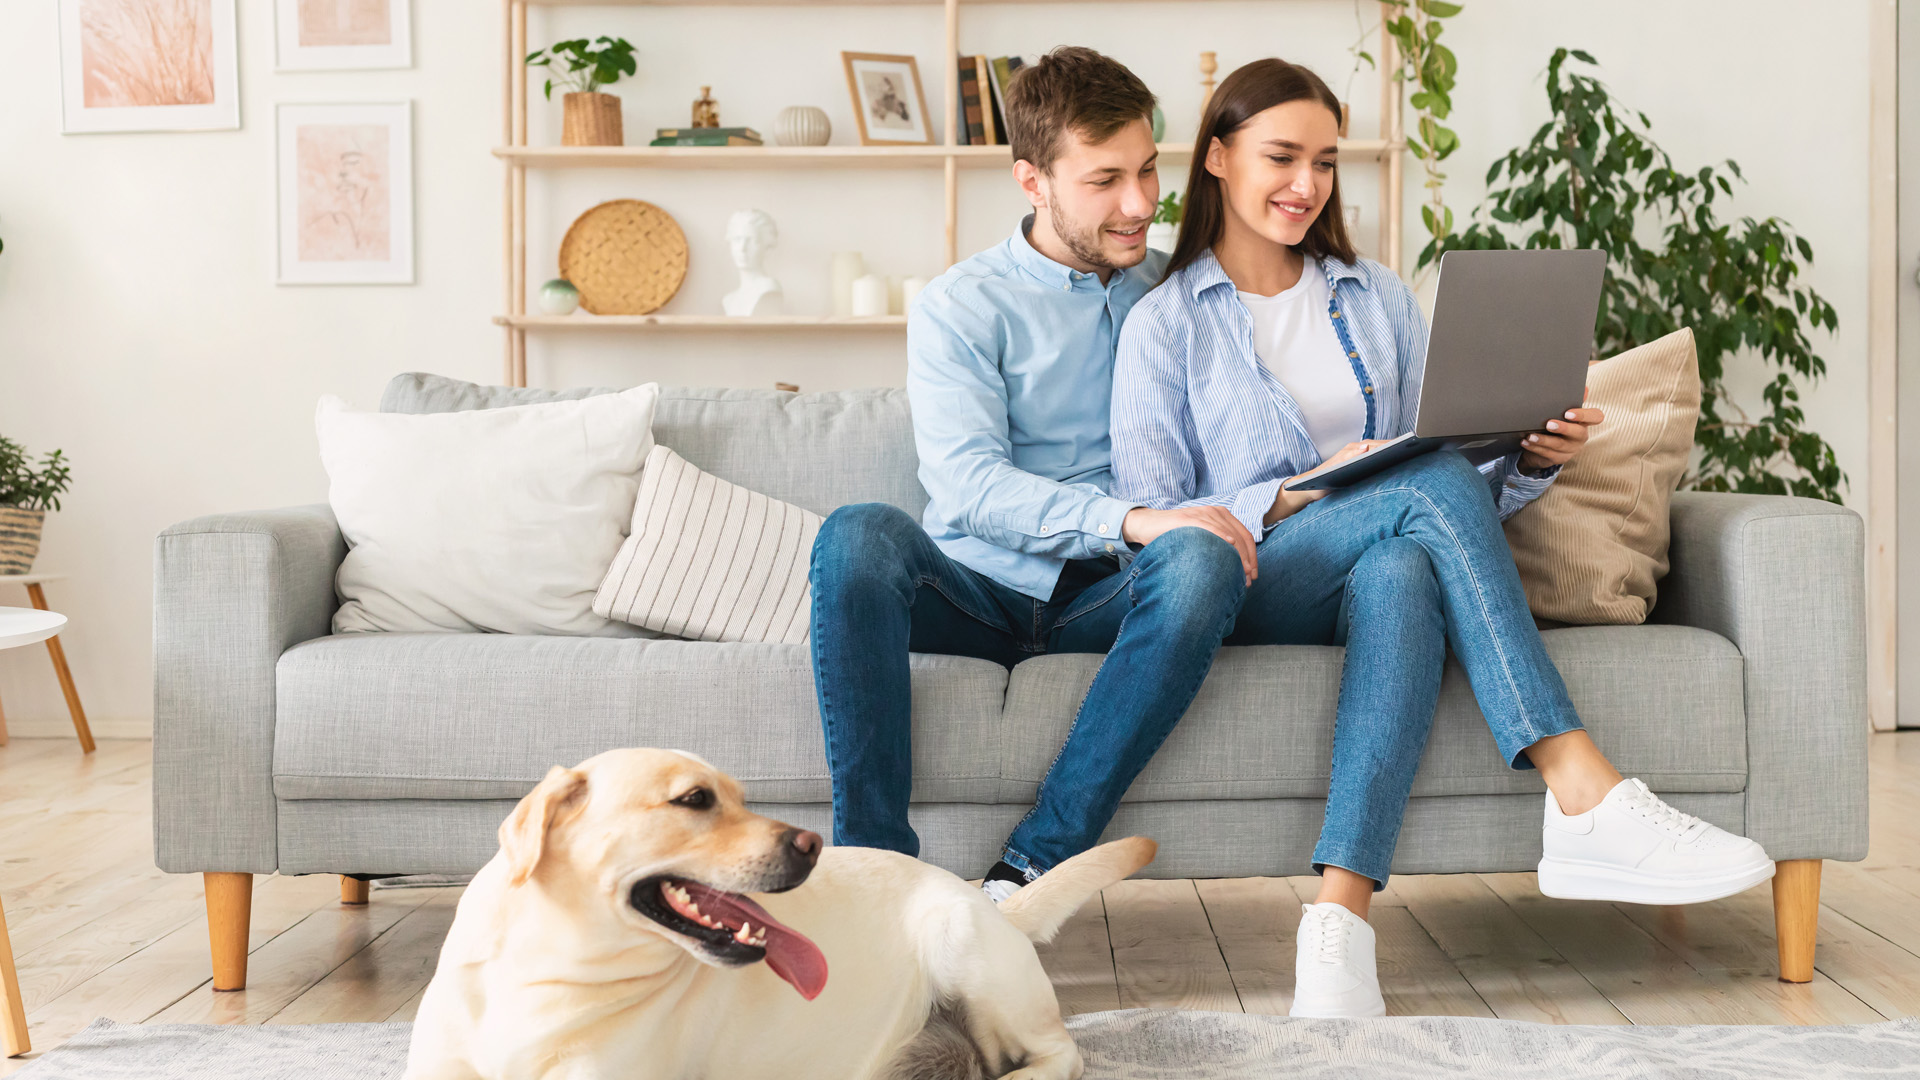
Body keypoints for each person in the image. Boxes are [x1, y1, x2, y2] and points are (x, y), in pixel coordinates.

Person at [1105, 58, 1776, 1017]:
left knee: (1405, 561)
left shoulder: (1374, 297)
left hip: (1386, 558)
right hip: (1253, 580)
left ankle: (1338, 928)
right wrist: (1296, 495)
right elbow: (1159, 530)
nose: (1307, 185)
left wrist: (1535, 455)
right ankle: (1580, 785)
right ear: (1216, 157)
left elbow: (1455, 483)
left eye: (1326, 162)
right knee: (1415, 485)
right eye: (1281, 157)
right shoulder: (1164, 326)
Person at [810, 47, 1267, 895]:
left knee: (1201, 558)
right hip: (976, 594)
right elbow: (967, 485)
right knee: (856, 534)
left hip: (1109, 595)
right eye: (1104, 182)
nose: (1139, 204)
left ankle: (1032, 864)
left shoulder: (1176, 290)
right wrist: (1132, 518)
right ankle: (870, 873)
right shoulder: (962, 304)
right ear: (1033, 182)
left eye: (1145, 171)